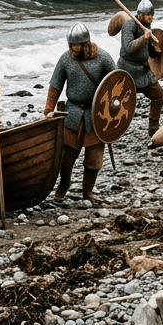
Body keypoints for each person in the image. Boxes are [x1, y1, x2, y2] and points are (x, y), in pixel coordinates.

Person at [44, 23, 117, 203]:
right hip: (73, 112)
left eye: (76, 45)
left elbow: (117, 83)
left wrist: (113, 112)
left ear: (85, 43)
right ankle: (64, 184)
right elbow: (55, 85)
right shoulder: (65, 59)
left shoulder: (103, 58)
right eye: (71, 45)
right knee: (66, 157)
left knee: (94, 158)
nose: (73, 48)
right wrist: (48, 109)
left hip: (97, 115)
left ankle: (88, 193)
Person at [117, 0, 163, 137]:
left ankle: (153, 129)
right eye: (147, 14)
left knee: (158, 96)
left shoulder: (148, 26)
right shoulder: (129, 25)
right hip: (128, 71)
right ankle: (113, 130)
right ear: (140, 15)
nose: (150, 17)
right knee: (118, 103)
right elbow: (128, 48)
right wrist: (144, 38)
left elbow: (149, 51)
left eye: (151, 14)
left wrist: (156, 51)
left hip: (144, 72)